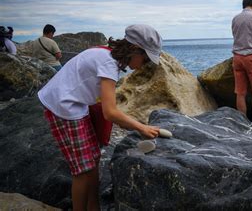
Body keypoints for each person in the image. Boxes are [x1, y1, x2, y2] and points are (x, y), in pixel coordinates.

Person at [38, 24, 163, 211]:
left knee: (93, 160)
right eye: (145, 60)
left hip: (75, 103)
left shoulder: (107, 54)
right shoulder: (109, 63)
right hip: (64, 106)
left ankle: (94, 207)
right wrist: (141, 127)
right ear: (135, 49)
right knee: (82, 170)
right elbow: (110, 112)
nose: (144, 65)